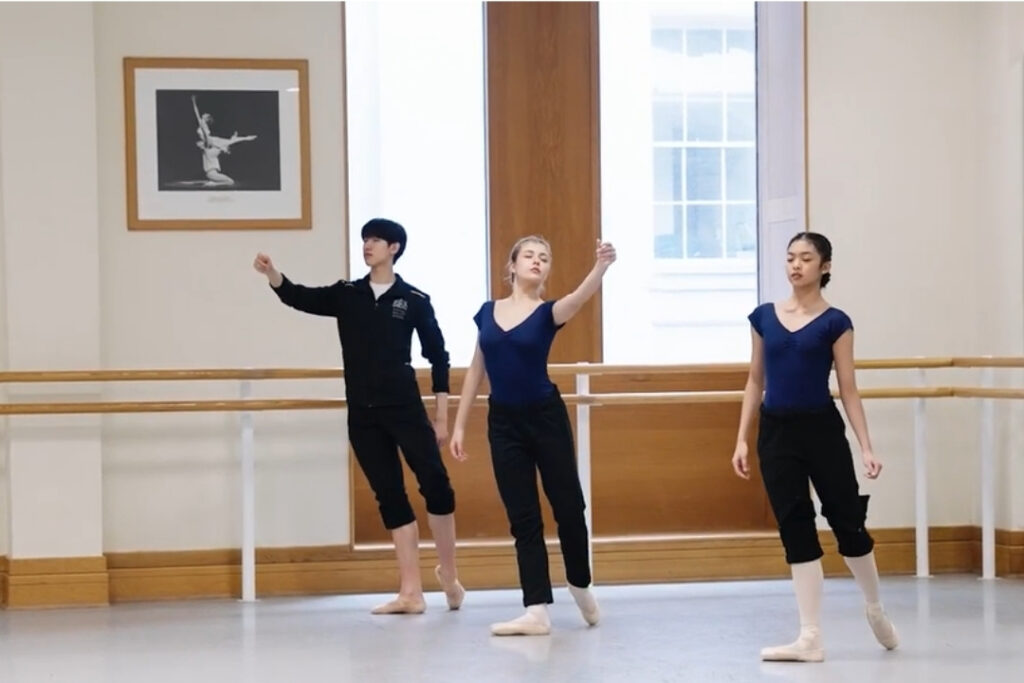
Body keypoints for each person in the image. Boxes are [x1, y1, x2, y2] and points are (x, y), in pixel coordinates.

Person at [253, 218, 464, 615]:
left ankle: (449, 575)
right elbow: (300, 297)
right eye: (365, 239)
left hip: (405, 409)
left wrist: (441, 418)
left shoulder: (415, 299)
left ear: (394, 248)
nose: (367, 245)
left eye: (376, 240)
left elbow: (438, 357)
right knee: (390, 496)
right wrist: (272, 274)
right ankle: (411, 592)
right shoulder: (347, 294)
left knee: (436, 484)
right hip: (363, 415)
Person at [731, 231, 899, 662]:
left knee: (846, 521)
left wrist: (866, 447)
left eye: (806, 258)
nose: (795, 265)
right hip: (776, 432)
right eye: (790, 257)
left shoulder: (835, 322)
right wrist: (742, 439)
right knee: (795, 526)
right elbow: (755, 380)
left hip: (822, 430)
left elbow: (848, 388)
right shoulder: (764, 317)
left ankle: (875, 607)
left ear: (824, 267)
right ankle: (810, 636)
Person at [450, 236, 615, 636]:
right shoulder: (487, 314)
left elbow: (577, 298)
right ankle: (536, 607)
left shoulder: (548, 313)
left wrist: (601, 266)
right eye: (529, 255)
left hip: (545, 417)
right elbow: (476, 369)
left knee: (568, 507)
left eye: (545, 257)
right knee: (523, 516)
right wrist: (458, 424)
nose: (537, 262)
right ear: (511, 266)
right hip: (503, 423)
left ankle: (579, 582)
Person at [192, 95, 257, 186]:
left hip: (211, 169)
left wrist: (244, 138)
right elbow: (198, 116)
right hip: (211, 171)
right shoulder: (211, 143)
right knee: (230, 182)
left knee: (224, 143)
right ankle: (213, 183)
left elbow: (229, 142)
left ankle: (213, 183)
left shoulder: (214, 146)